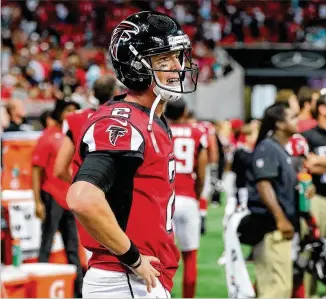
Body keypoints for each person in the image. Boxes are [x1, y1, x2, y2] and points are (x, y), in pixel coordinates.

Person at [66, 11, 198, 298]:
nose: (178, 66)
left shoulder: (149, 117)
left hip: (135, 279)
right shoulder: (123, 123)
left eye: (178, 56)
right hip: (125, 279)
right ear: (136, 67)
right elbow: (82, 198)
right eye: (164, 60)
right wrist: (133, 259)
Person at [240, 102, 300, 298]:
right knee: (275, 289)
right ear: (280, 124)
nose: (296, 120)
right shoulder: (269, 148)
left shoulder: (280, 149)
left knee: (279, 287)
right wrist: (280, 218)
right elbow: (263, 184)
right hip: (271, 227)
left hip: (278, 227)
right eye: (292, 117)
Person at [31, 100, 83, 297]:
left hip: (69, 198)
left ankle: (78, 292)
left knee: (72, 248)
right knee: (46, 243)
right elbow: (36, 170)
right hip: (52, 196)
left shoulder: (77, 136)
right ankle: (40, 289)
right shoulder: (49, 136)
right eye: (68, 110)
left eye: (74, 109)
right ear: (60, 113)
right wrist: (37, 201)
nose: (72, 112)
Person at [165, 99, 208, 298]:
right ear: (184, 112)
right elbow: (201, 171)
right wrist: (197, 196)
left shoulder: (158, 129)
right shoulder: (197, 132)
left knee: (161, 255)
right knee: (190, 256)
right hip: (188, 198)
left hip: (164, 200)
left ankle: (161, 293)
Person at [54, 75, 116, 182]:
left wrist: (80, 187)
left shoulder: (75, 118)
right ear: (116, 93)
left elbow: (60, 170)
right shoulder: (127, 119)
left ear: (94, 94)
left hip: (85, 189)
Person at [302, 95, 326, 297]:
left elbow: (315, 163)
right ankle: (309, 294)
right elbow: (307, 165)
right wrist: (314, 163)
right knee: (312, 248)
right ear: (322, 109)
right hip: (317, 197)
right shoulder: (309, 136)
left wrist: (320, 161)